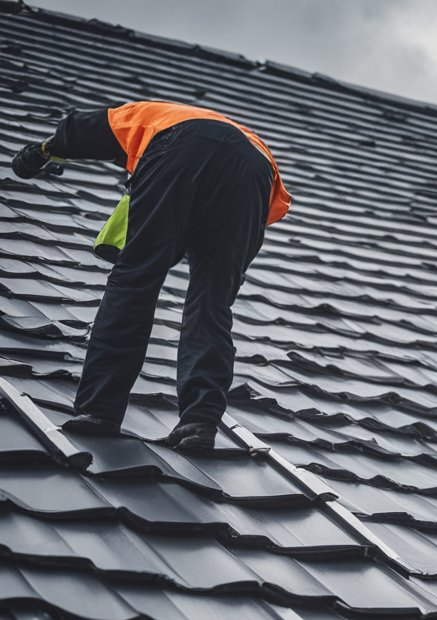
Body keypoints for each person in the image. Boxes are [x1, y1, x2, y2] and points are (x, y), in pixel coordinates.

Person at [10, 101, 290, 450]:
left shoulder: (152, 116)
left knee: (135, 278)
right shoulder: (213, 132)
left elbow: (83, 129)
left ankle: (100, 410)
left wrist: (41, 151)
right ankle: (199, 422)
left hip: (183, 144)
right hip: (256, 173)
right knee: (212, 302)